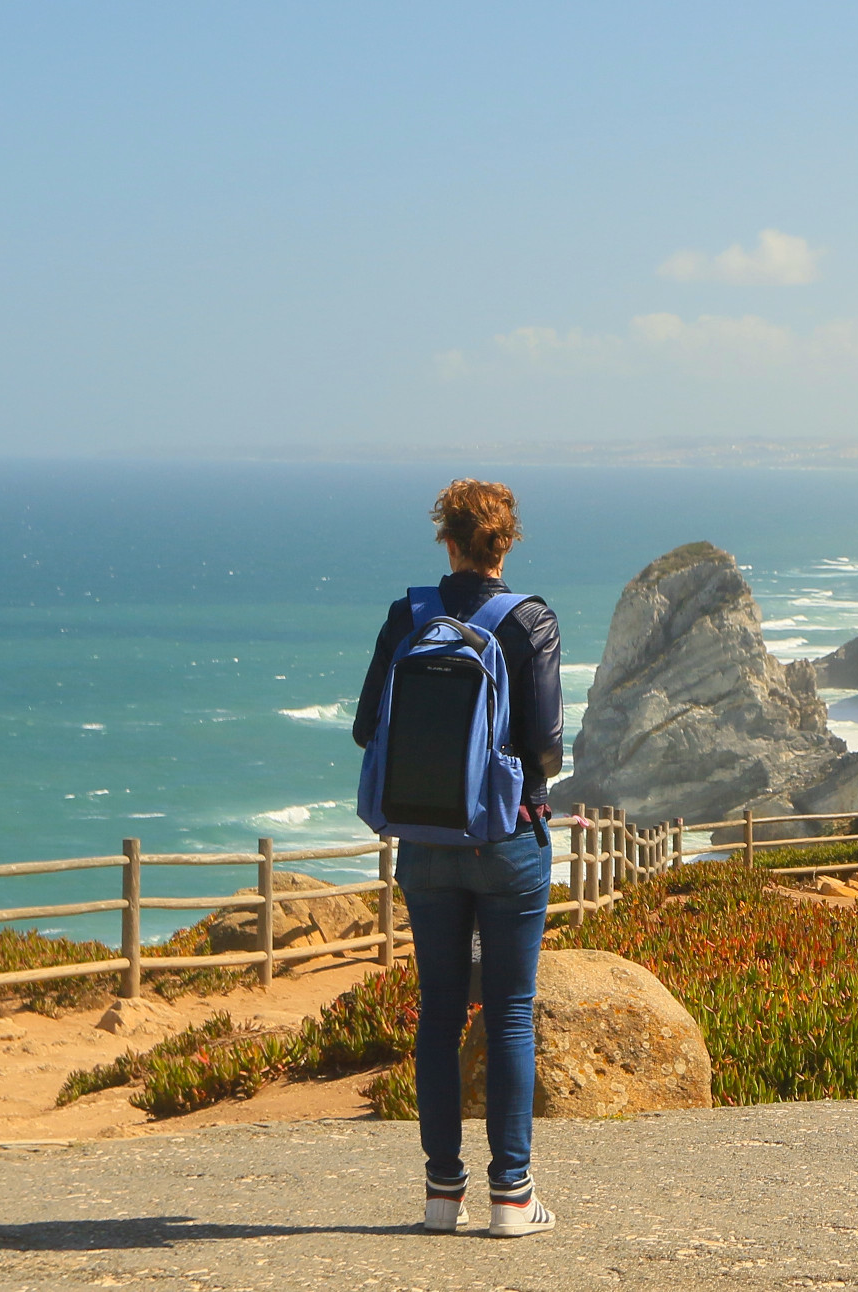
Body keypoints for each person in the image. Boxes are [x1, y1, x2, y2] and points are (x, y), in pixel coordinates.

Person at [352, 478, 562, 1238]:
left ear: (446, 539)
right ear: (506, 541)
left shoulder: (408, 616)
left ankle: (443, 1195)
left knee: (438, 1013)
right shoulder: (528, 619)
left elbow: (365, 727)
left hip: (424, 843)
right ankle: (513, 1196)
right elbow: (545, 742)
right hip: (507, 837)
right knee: (507, 1011)